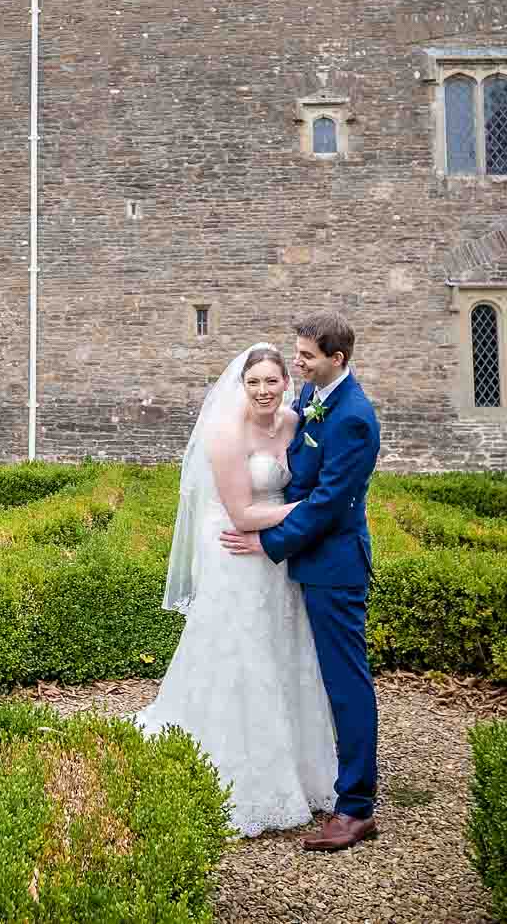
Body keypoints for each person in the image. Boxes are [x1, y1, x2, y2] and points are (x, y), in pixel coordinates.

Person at [134, 342, 339, 836]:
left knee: (285, 648)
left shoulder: (295, 422)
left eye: (272, 381)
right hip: (237, 549)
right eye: (255, 382)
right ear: (241, 386)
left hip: (278, 553)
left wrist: (297, 521)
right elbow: (243, 514)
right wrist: (311, 513)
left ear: (287, 383)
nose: (264, 391)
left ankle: (301, 764)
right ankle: (239, 770)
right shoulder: (225, 433)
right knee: (243, 653)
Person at [220, 313, 381, 852]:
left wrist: (268, 543)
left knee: (345, 682)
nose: (299, 362)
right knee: (316, 679)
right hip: (310, 561)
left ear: (337, 359)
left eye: (307, 356)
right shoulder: (318, 401)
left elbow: (331, 504)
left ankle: (356, 807)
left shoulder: (353, 416)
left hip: (334, 567)